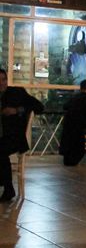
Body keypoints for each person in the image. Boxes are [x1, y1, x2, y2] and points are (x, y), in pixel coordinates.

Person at [0, 68, 44, 202]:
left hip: (14, 138)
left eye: (3, 80)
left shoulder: (16, 93)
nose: (1, 83)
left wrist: (16, 110)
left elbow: (39, 107)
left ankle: (8, 189)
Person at [59, 80, 86, 166]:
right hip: (80, 126)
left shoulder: (74, 98)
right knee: (77, 146)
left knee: (69, 144)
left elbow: (65, 106)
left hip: (68, 125)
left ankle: (68, 160)